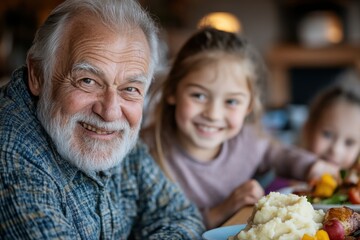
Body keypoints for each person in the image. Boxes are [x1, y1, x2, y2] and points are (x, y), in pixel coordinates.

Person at [0, 0, 205, 239]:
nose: (110, 112)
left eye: (130, 88)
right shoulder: (9, 151)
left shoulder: (116, 134)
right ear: (37, 75)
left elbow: (182, 216)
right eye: (87, 81)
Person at [141, 27, 340, 229]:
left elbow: (281, 155)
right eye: (198, 96)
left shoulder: (247, 141)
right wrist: (221, 210)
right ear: (172, 91)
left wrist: (313, 167)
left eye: (231, 101)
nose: (213, 114)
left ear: (249, 106)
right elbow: (152, 226)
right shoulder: (146, 152)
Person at [300, 69, 360, 170]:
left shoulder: (354, 184)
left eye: (349, 142)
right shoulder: (284, 177)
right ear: (309, 128)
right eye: (327, 134)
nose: (336, 149)